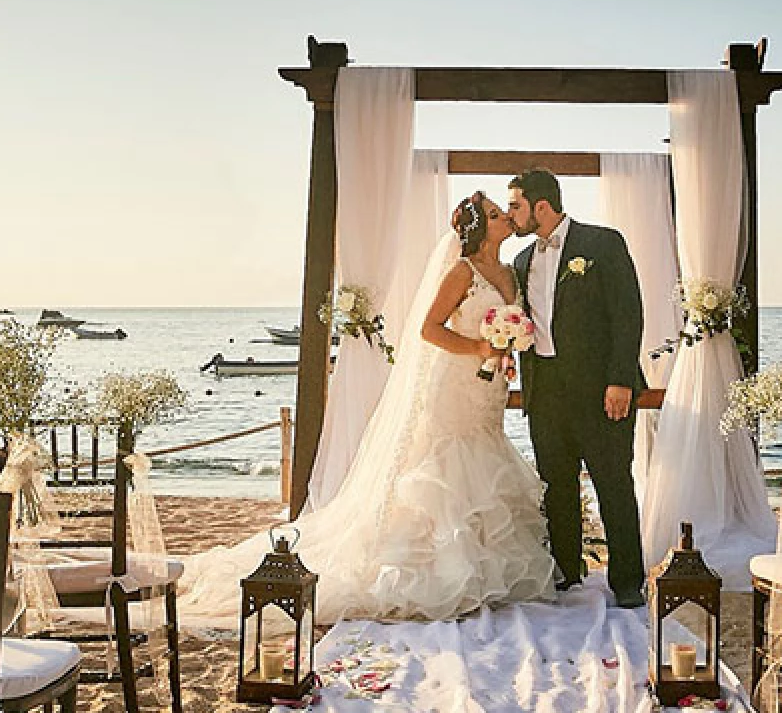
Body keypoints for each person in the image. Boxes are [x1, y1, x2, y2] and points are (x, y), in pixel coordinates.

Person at [173, 193, 554, 625]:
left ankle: (488, 570)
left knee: (486, 464)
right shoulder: (461, 273)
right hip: (453, 387)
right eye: (493, 214)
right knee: (446, 471)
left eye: (502, 212)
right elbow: (429, 329)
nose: (504, 217)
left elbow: (512, 329)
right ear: (479, 229)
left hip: (488, 393)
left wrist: (505, 355)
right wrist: (478, 346)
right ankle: (441, 570)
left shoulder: (509, 273)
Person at [506, 168, 647, 607]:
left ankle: (627, 583)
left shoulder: (602, 243)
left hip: (602, 392)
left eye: (516, 206)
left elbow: (628, 313)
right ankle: (566, 573)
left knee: (613, 485)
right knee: (556, 486)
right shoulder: (522, 261)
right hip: (546, 394)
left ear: (541, 206)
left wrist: (620, 378)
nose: (512, 216)